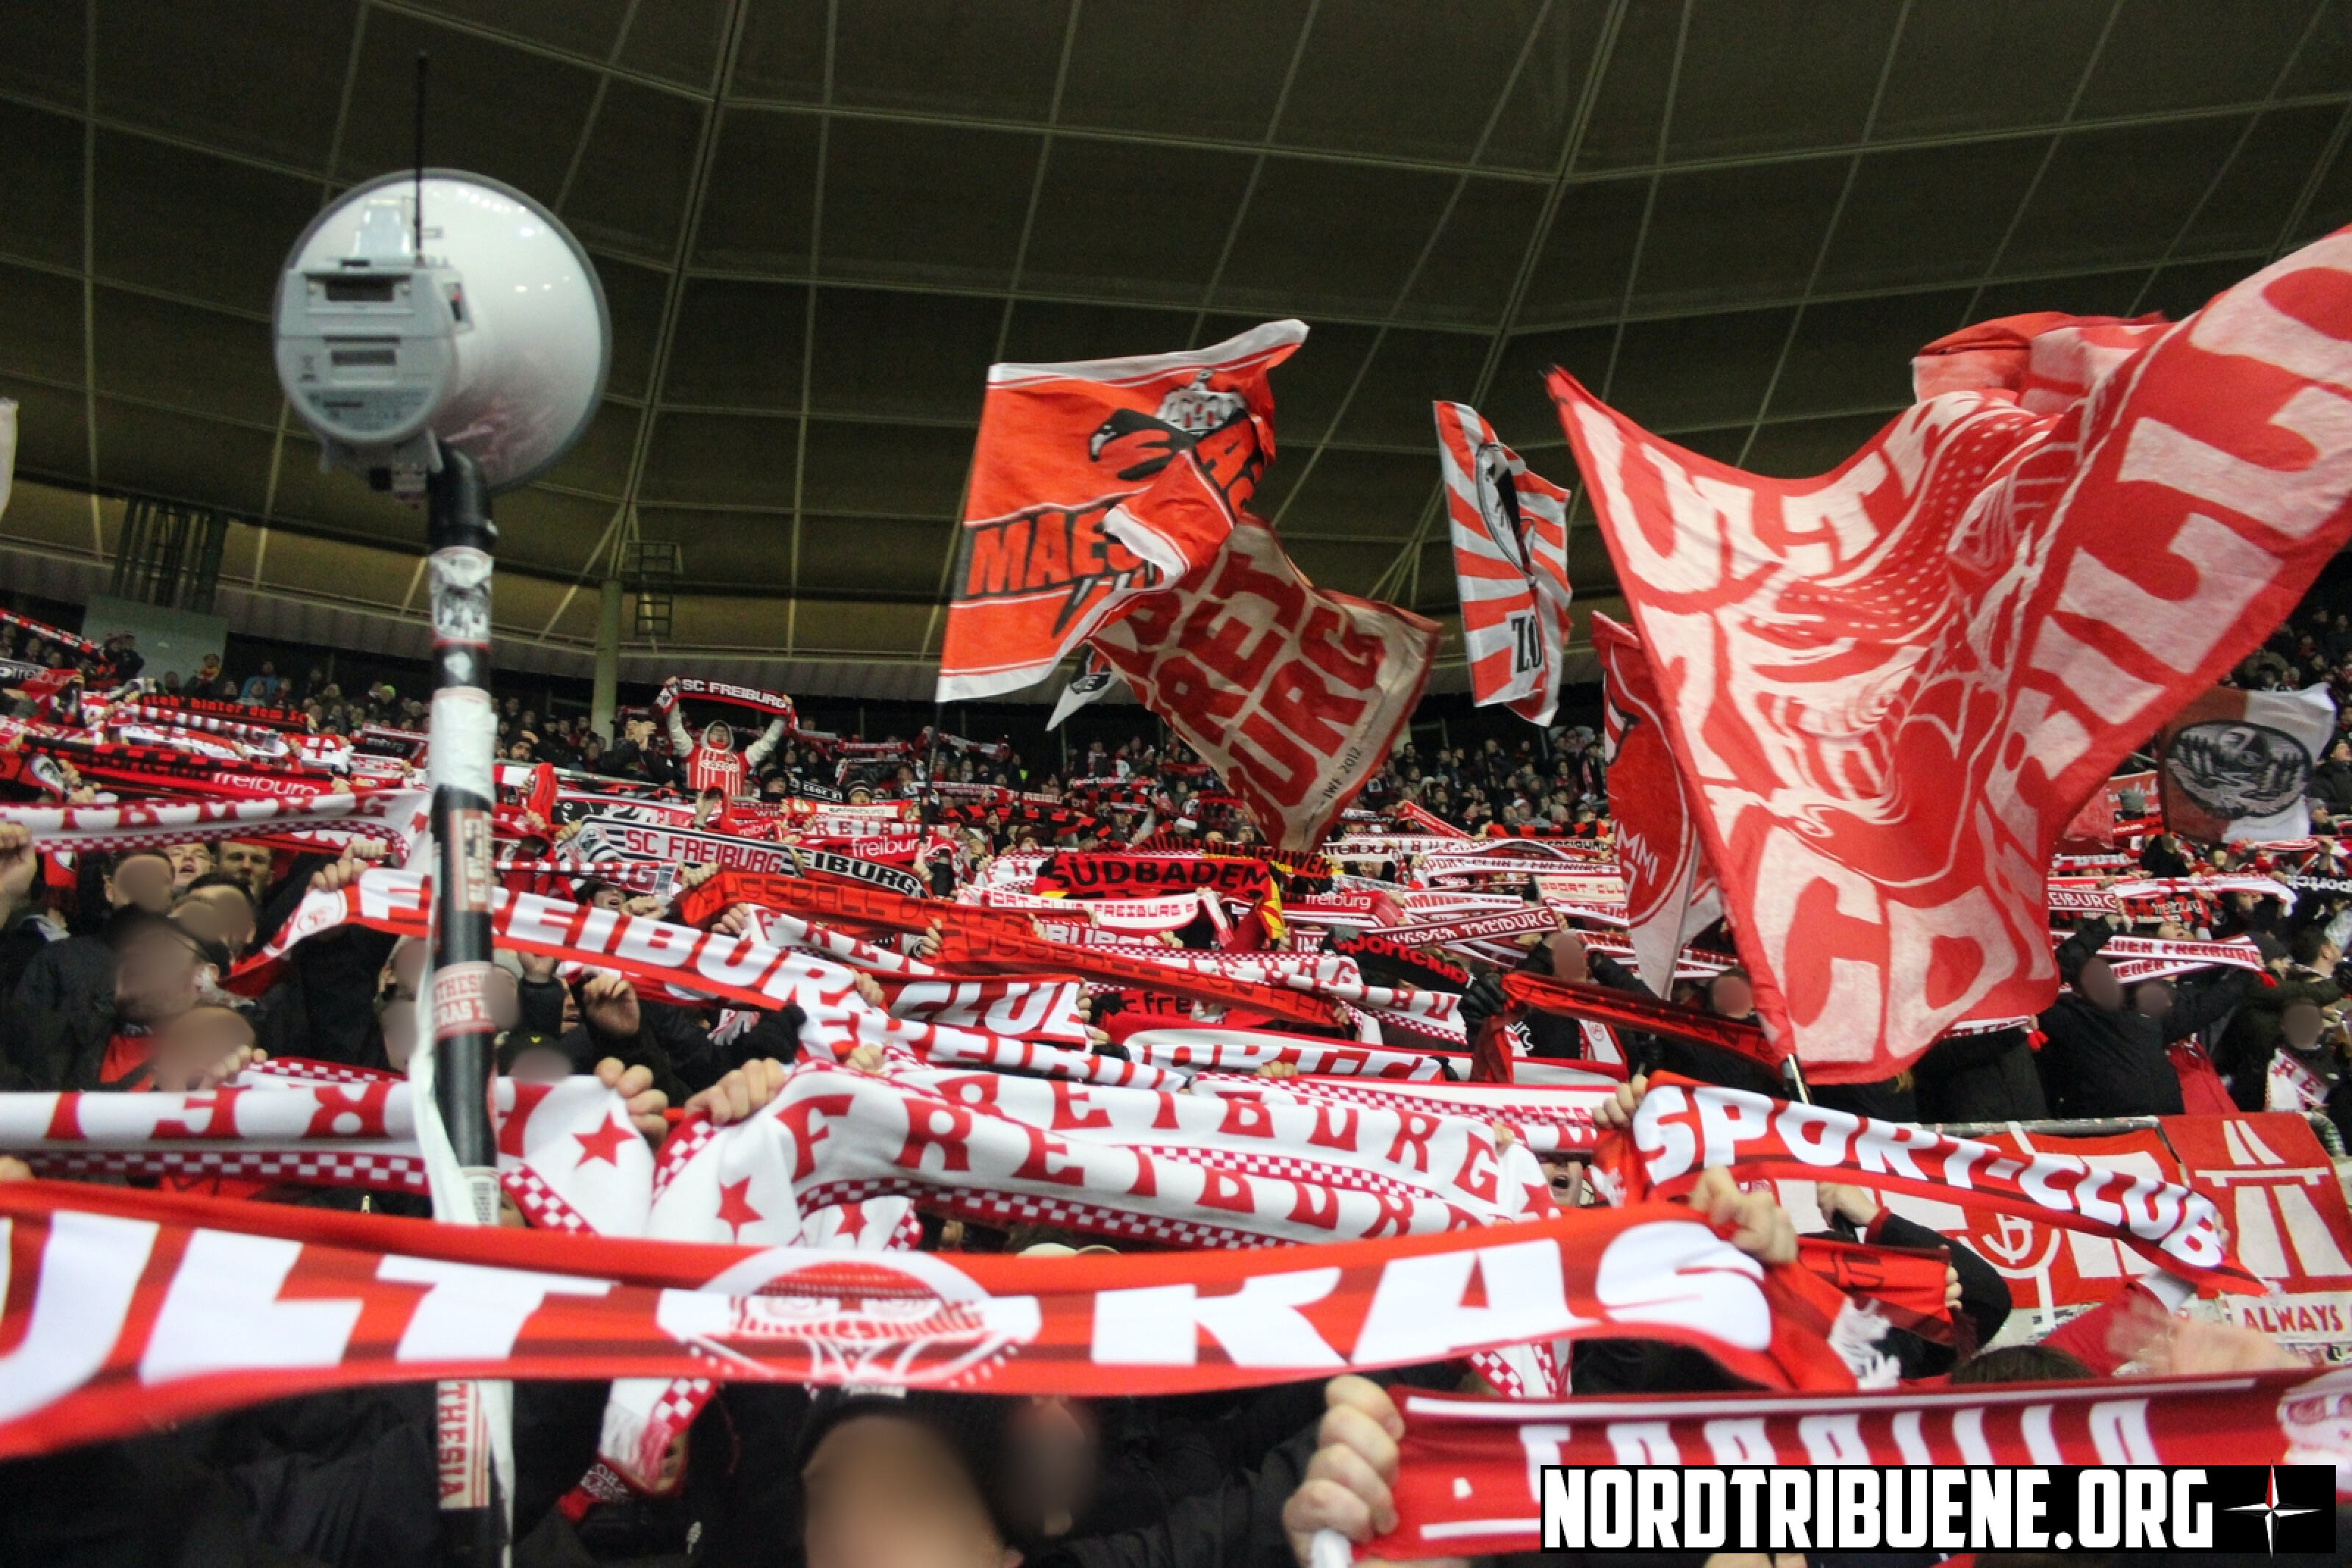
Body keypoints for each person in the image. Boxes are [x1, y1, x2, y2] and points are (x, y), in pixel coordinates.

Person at [663, 679, 786, 797]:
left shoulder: (741, 760)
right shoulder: (693, 753)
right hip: (699, 808)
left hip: (730, 810)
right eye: (716, 731)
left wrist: (782, 715)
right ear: (707, 735)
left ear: (730, 739)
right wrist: (673, 694)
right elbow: (675, 729)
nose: (721, 734)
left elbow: (767, 743)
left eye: (725, 732)